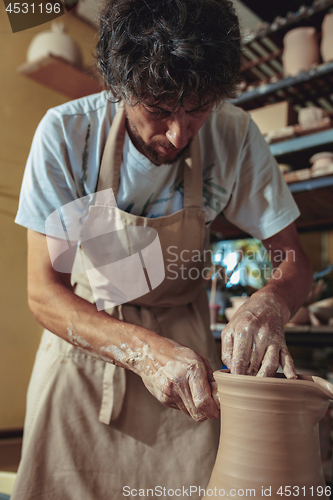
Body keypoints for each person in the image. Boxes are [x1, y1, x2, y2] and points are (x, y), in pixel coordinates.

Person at [12, 0, 313, 498]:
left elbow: (292, 259)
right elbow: (45, 292)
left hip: (189, 361)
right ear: (119, 87)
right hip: (88, 352)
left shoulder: (234, 136)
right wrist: (144, 352)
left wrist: (272, 301)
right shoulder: (67, 135)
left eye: (197, 111)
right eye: (158, 110)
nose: (177, 134)